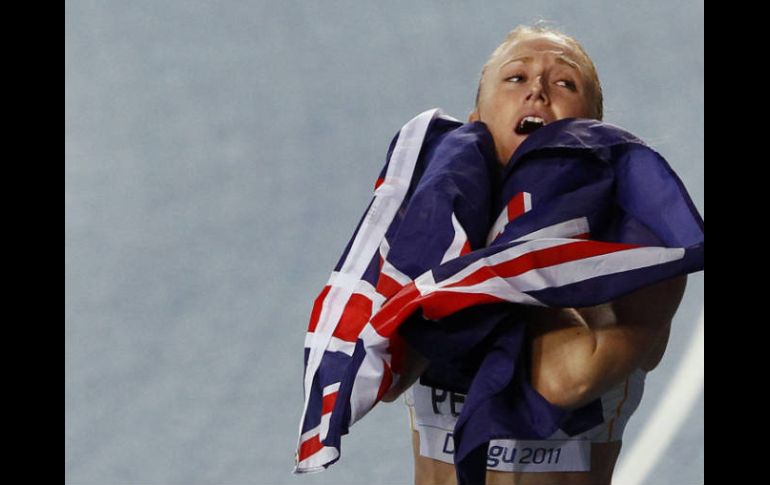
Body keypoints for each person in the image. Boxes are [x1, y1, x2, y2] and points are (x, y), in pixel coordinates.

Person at [381, 24, 690, 485]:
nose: (538, 92)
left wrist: (499, 264)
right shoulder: (435, 234)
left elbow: (566, 380)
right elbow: (387, 373)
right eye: (515, 78)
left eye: (565, 83)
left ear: (595, 127)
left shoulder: (641, 255)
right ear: (475, 122)